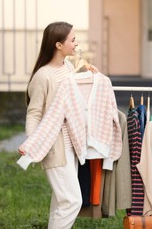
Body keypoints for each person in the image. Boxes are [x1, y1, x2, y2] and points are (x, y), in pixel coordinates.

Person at [19, 22, 96, 228]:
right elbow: (34, 113)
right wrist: (33, 143)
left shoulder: (69, 68)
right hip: (54, 145)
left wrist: (92, 78)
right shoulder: (43, 76)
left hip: (71, 143)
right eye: (72, 39)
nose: (76, 43)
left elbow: (73, 100)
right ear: (58, 45)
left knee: (61, 202)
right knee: (72, 200)